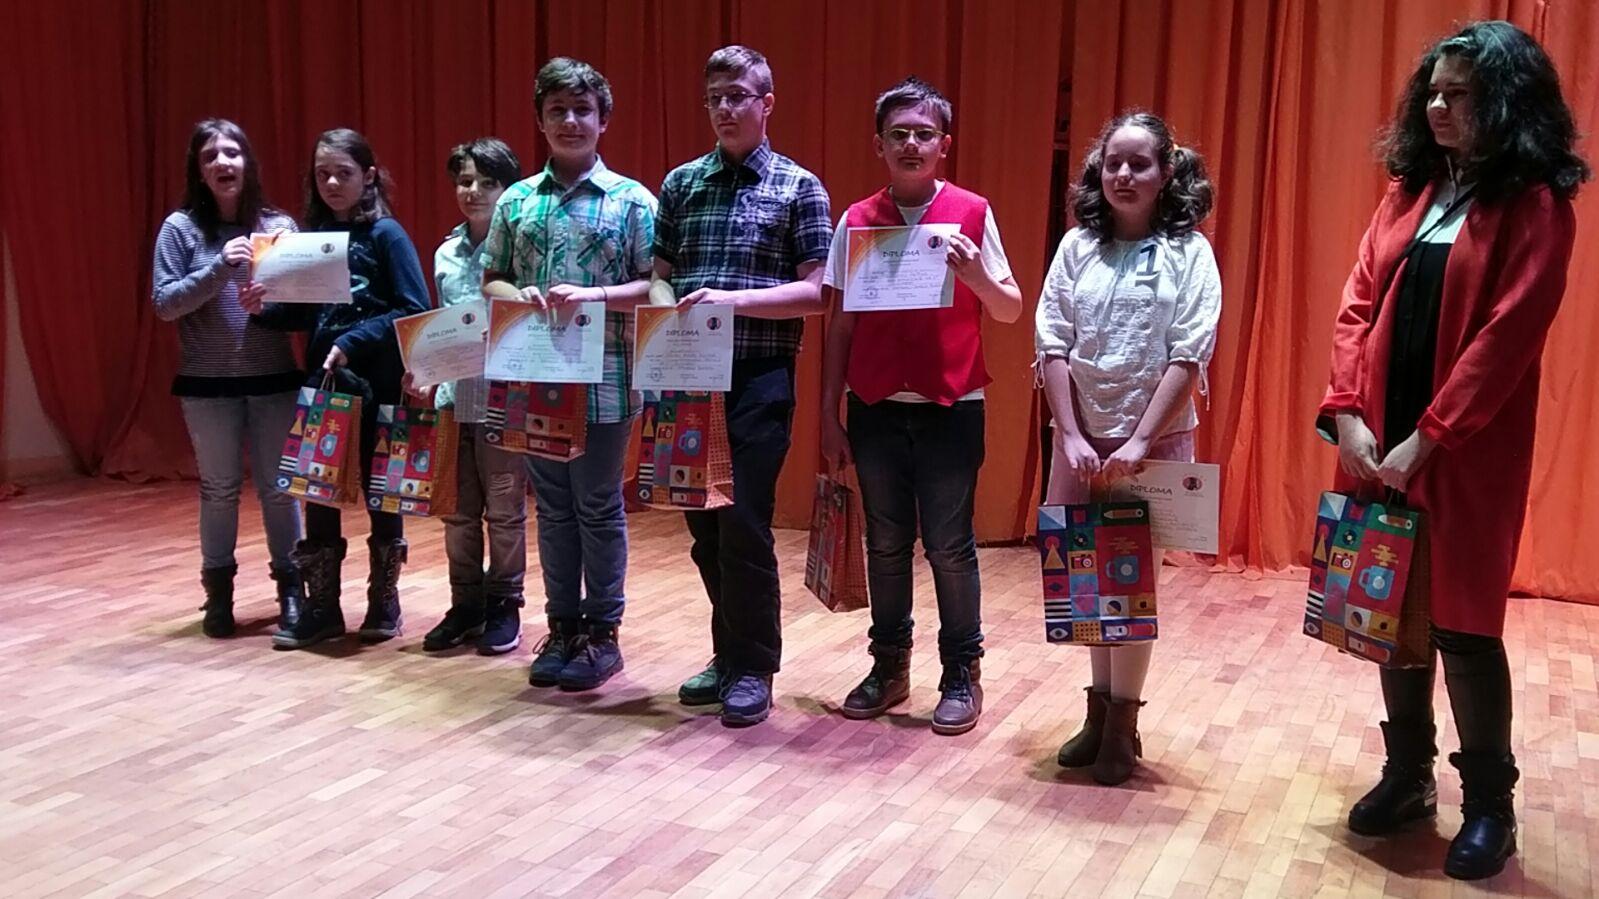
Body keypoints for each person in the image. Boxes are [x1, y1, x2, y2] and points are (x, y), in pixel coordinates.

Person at [1318, 21, 1585, 880]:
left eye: (1458, 93)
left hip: (1463, 452)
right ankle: (1406, 777)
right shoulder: (1410, 190)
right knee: (1387, 609)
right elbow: (1355, 303)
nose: (1437, 106)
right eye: (1431, 92)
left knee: (1464, 626)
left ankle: (1488, 808)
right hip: (1376, 442)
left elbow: (1507, 337)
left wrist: (1427, 437)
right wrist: (1346, 412)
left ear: (1503, 101)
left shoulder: (1534, 205)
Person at [819, 77, 1022, 736]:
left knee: (950, 547)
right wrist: (827, 412)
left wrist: (976, 275)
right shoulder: (856, 220)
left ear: (944, 144)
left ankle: (961, 672)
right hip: (874, 407)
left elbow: (1009, 309)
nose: (911, 143)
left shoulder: (972, 212)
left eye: (923, 133)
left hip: (950, 406)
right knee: (884, 545)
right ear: (879, 145)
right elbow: (840, 325)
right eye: (898, 133)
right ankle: (889, 667)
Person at [1036, 111, 1221, 784]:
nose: (1122, 174)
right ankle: (1096, 715)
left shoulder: (1190, 253)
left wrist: (1141, 438)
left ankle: (1123, 724)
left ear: (1165, 172)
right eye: (1112, 162)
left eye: (1138, 164)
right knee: (1088, 578)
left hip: (1154, 442)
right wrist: (1071, 433)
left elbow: (1190, 351)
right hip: (1080, 444)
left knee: (1131, 585)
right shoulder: (1075, 246)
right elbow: (1051, 339)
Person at [655, 45, 832, 726]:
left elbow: (817, 292)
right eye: (715, 98)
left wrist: (729, 302)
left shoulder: (798, 187)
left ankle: (755, 665)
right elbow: (660, 275)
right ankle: (725, 653)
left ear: (767, 103)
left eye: (738, 96)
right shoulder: (680, 184)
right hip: (686, 377)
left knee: (743, 525)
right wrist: (667, 309)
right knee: (702, 528)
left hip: (758, 377)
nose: (725, 109)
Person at [481, 58, 658, 690]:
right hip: (536, 376)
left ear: (603, 120)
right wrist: (519, 295)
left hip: (606, 378)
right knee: (553, 508)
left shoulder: (633, 200)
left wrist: (595, 297)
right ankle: (561, 627)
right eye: (558, 110)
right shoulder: (516, 200)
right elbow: (491, 277)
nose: (571, 121)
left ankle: (601, 632)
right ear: (540, 120)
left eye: (583, 110)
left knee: (597, 505)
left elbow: (655, 286)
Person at [242, 128, 431, 650]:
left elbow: (413, 307)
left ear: (368, 176)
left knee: (382, 491)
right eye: (322, 173)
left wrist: (353, 340)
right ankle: (322, 607)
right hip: (325, 380)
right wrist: (263, 311)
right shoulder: (314, 237)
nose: (331, 183)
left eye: (343, 173)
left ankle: (383, 602)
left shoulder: (387, 234)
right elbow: (309, 314)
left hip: (379, 381)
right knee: (317, 490)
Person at [152, 118, 304, 638]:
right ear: (198, 170)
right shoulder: (179, 229)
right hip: (207, 384)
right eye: (210, 156)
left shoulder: (278, 226)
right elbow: (165, 304)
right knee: (219, 490)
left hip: (273, 378)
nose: (222, 162)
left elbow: (307, 301)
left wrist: (275, 299)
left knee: (280, 489)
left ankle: (292, 590)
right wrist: (219, 267)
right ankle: (219, 596)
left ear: (248, 163)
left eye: (232, 153)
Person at [413, 138, 529, 657]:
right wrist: (423, 369)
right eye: (464, 181)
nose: (474, 191)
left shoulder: (519, 253)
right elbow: (439, 328)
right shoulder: (445, 252)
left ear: (509, 189)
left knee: (504, 509)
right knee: (456, 511)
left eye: (487, 182)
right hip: (452, 398)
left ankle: (505, 602)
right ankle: (465, 602)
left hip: (503, 399)